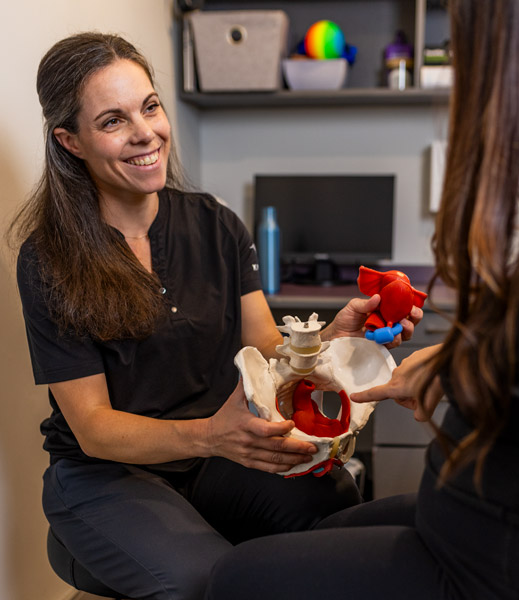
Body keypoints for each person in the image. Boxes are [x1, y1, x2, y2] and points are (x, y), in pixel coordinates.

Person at [205, 1, 519, 599]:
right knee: (322, 527)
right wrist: (455, 362)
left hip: (484, 560)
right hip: (459, 510)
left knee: (234, 581)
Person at [8, 33, 422, 600]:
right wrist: (209, 436)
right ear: (70, 141)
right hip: (109, 474)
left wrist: (331, 338)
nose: (144, 133)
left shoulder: (215, 224)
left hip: (216, 457)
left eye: (150, 107)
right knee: (210, 584)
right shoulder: (49, 258)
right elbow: (94, 428)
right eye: (112, 121)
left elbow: (265, 347)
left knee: (335, 516)